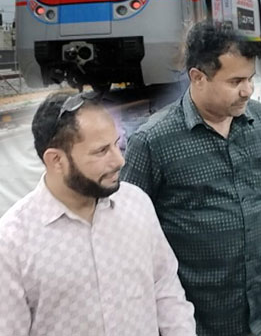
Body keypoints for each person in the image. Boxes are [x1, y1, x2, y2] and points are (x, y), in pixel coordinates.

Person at [120, 23, 261, 336]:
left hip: (257, 314)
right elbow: (125, 233)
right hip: (193, 321)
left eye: (250, 79)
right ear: (198, 78)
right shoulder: (153, 142)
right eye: (235, 81)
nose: (248, 90)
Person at [0, 92, 195, 336]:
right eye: (102, 151)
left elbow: (165, 289)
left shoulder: (136, 204)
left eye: (117, 143)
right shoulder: (12, 244)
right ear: (56, 160)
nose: (119, 160)